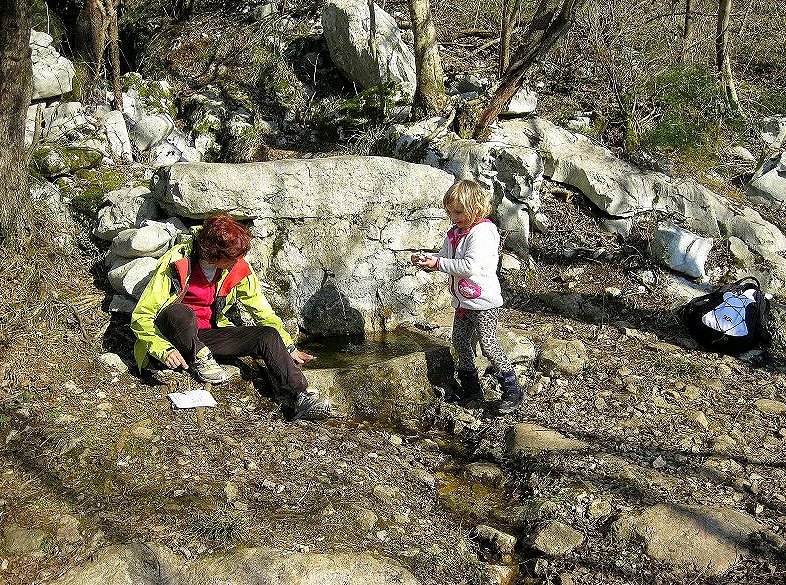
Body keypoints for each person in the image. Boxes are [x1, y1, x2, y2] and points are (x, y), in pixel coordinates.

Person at [130, 214, 334, 420]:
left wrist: (288, 347)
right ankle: (199, 356)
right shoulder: (177, 262)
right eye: (233, 257)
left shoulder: (235, 268)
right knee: (181, 312)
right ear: (214, 253)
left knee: (267, 334)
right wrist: (163, 350)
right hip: (174, 335)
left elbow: (261, 310)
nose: (238, 261)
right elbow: (142, 315)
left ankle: (300, 397)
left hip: (208, 336)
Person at [411, 179, 523, 413]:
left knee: (489, 345)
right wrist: (428, 261)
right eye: (450, 212)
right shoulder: (454, 233)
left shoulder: (482, 232)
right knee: (460, 343)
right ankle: (472, 388)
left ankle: (512, 389)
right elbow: (445, 258)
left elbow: (469, 265)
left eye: (459, 212)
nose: (454, 217)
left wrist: (438, 263)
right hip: (463, 303)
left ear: (475, 207)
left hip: (483, 304)